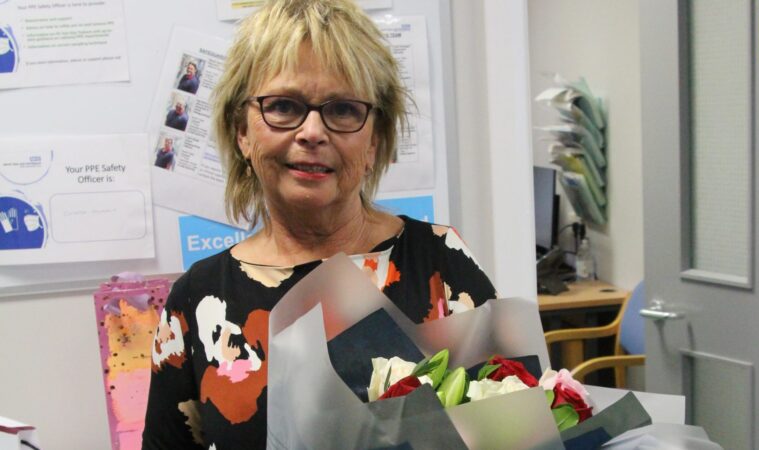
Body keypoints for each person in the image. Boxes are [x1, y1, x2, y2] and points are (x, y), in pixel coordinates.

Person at [142, 1, 497, 448]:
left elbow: (513, 428)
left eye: (343, 110)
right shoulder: (195, 302)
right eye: (284, 106)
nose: (312, 131)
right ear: (242, 132)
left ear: (374, 143)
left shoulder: (443, 263)